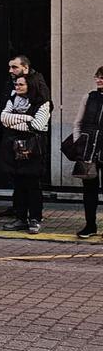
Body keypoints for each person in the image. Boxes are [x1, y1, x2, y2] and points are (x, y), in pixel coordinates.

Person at [0, 75, 52, 235]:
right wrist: (27, 119)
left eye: (21, 84)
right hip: (15, 147)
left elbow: (38, 125)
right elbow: (3, 118)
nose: (17, 86)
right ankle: (20, 218)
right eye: (16, 84)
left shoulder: (43, 103)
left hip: (34, 148)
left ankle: (35, 218)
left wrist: (15, 122)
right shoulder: (12, 99)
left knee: (33, 184)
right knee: (19, 183)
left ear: (31, 86)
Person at [73, 66, 103, 238]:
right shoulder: (89, 97)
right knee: (89, 190)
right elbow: (78, 122)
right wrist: (79, 142)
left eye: (102, 77)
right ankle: (90, 225)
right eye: (97, 77)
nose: (98, 80)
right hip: (89, 148)